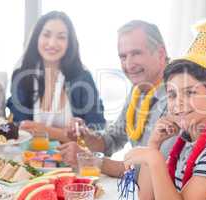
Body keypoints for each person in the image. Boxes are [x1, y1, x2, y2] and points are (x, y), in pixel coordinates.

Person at [124, 20, 206, 199]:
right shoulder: (186, 142)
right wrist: (154, 146)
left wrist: (154, 159)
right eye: (172, 95)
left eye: (189, 92)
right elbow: (146, 198)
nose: (178, 103)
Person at [58, 20, 173, 177]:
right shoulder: (139, 87)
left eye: (136, 53)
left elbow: (147, 170)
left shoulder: (177, 98)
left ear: (160, 54)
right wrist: (85, 135)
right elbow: (113, 140)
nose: (128, 64)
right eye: (123, 56)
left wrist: (87, 160)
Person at [7, 11, 105, 142]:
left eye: (61, 37)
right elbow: (21, 128)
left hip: (73, 160)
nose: (52, 43)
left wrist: (47, 131)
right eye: (46, 35)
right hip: (30, 159)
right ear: (37, 38)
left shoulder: (82, 77)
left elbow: (98, 131)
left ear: (69, 43)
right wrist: (67, 135)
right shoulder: (22, 77)